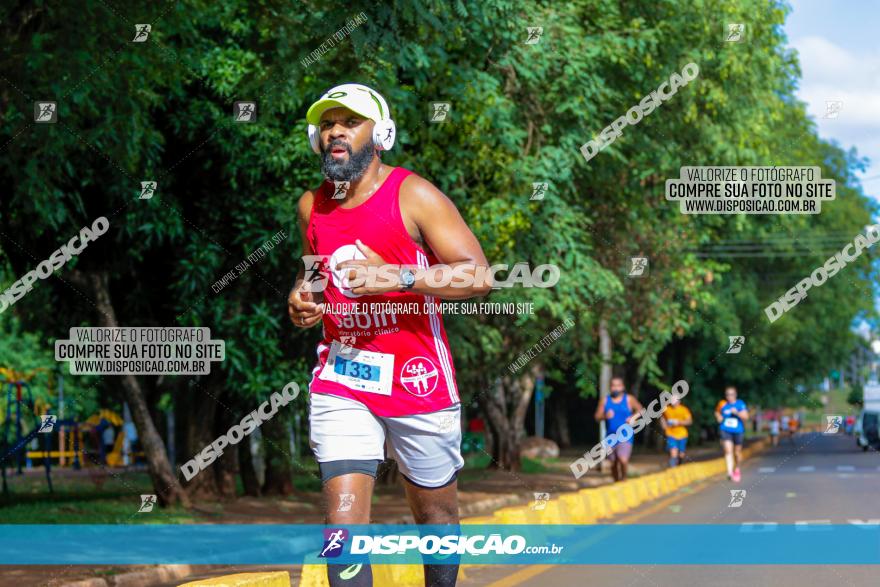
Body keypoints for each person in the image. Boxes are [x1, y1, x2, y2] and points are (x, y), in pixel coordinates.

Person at [288, 83, 492, 587]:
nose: (336, 130)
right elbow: (315, 271)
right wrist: (303, 295)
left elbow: (478, 276)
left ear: (379, 134)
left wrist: (399, 275)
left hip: (416, 377)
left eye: (350, 121)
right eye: (328, 123)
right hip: (343, 377)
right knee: (342, 527)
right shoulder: (310, 207)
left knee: (437, 518)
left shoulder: (413, 194)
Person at [594, 376, 645, 482]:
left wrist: (633, 417)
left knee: (623, 459)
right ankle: (617, 481)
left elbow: (641, 410)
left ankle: (624, 479)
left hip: (626, 434)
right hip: (611, 436)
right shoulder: (605, 400)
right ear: (610, 387)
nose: (615, 388)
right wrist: (605, 416)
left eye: (618, 385)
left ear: (622, 387)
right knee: (613, 463)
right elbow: (597, 416)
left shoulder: (629, 399)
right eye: (613, 386)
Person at [715, 386, 749, 482]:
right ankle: (729, 472)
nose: (729, 396)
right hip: (725, 430)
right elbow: (717, 412)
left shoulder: (740, 404)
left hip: (738, 431)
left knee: (737, 453)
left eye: (731, 394)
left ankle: (737, 469)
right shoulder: (722, 404)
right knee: (728, 450)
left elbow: (746, 417)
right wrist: (719, 417)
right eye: (727, 394)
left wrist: (737, 413)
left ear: (735, 395)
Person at [660, 395, 692, 467]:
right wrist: (663, 425)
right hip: (670, 434)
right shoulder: (666, 409)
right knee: (673, 453)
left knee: (681, 455)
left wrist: (678, 422)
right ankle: (673, 470)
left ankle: (679, 465)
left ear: (679, 401)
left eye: (675, 400)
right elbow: (662, 417)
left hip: (682, 434)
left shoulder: (684, 409)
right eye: (672, 400)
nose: (674, 402)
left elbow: (689, 421)